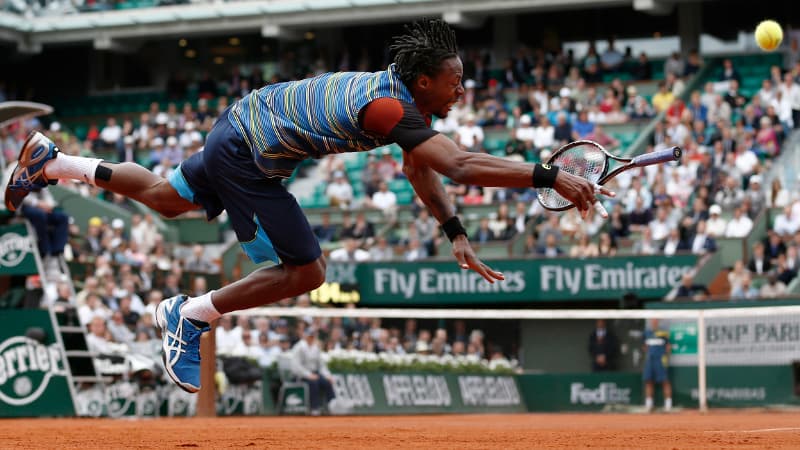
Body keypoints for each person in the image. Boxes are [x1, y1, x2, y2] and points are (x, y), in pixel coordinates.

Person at [4, 20, 605, 394]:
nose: (462, 91)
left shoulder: (401, 105)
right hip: (250, 153)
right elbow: (459, 165)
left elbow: (423, 171)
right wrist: (547, 174)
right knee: (307, 270)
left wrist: (454, 231)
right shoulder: (388, 108)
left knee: (166, 199)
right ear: (424, 82)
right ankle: (189, 314)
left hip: (239, 123)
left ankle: (54, 162)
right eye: (456, 82)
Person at [289, 327, 336, 416]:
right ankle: (315, 408)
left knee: (326, 382)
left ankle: (331, 403)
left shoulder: (315, 348)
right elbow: (296, 366)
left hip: (314, 373)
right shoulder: (298, 347)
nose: (311, 338)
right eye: (309, 336)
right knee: (313, 382)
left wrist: (328, 375)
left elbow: (321, 365)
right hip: (300, 375)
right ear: (305, 336)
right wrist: (308, 375)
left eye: (312, 336)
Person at [643, 319, 672, 412]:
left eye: (656, 321)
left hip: (660, 360)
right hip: (650, 360)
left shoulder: (663, 333)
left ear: (658, 322)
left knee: (665, 381)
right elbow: (644, 347)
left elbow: (668, 347)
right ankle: (649, 405)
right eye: (652, 321)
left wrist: (663, 356)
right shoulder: (647, 333)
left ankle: (668, 406)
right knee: (648, 381)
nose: (654, 323)